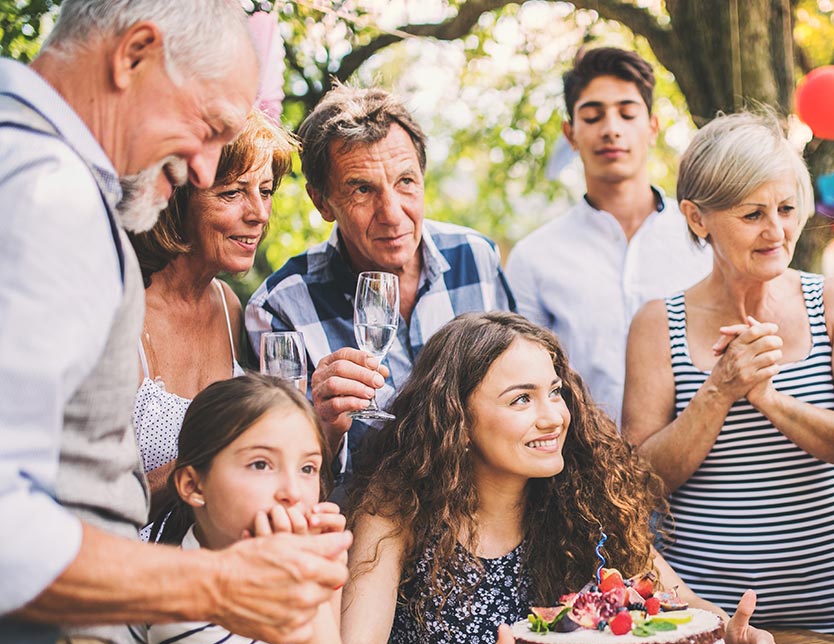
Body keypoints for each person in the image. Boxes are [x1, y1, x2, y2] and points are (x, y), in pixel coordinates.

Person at [0, 3, 349, 644]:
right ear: (134, 55)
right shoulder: (49, 194)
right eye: (209, 127)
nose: (202, 168)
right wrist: (219, 587)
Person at [340, 312, 782, 644]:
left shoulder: (587, 500)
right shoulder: (397, 507)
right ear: (456, 418)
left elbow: (679, 601)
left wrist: (733, 638)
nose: (554, 416)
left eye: (555, 392)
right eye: (521, 399)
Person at [622, 112, 834, 633]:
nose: (776, 231)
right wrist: (719, 391)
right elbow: (640, 482)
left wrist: (769, 398)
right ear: (698, 218)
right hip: (704, 616)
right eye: (751, 214)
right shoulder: (657, 323)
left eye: (786, 209)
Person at [245, 85, 515, 480]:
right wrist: (326, 426)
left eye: (405, 181)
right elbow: (277, 476)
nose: (392, 213)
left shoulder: (475, 258)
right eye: (362, 189)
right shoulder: (280, 308)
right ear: (322, 202)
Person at [120, 374, 353, 644]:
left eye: (307, 468)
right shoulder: (184, 606)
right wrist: (315, 573)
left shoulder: (255, 581)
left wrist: (325, 573)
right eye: (260, 464)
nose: (291, 492)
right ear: (193, 486)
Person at [505, 47, 711, 422]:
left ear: (652, 127)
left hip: (709, 469)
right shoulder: (534, 257)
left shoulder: (706, 238)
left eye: (627, 113)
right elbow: (519, 380)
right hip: (581, 469)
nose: (611, 128)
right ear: (570, 133)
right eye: (593, 115)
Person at [130, 110, 294, 523]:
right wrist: (219, 456)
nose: (258, 213)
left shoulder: (229, 307)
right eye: (232, 193)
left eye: (266, 190)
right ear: (176, 197)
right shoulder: (122, 308)